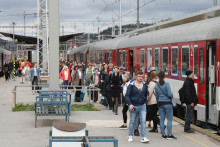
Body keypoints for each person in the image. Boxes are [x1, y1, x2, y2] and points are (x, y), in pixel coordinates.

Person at [125, 70, 149, 143]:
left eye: (142, 76)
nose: (141, 78)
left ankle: (143, 137)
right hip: (134, 106)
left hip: (142, 106)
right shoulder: (131, 85)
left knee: (143, 121)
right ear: (136, 77)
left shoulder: (144, 85)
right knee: (132, 121)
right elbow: (127, 96)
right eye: (139, 76)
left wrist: (145, 102)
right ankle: (130, 136)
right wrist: (130, 104)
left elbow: (146, 94)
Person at [155, 71, 176, 139]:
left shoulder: (156, 85)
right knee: (169, 119)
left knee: (162, 119)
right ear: (164, 76)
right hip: (167, 104)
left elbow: (157, 96)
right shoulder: (167, 84)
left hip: (160, 104)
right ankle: (169, 135)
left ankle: (163, 134)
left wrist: (158, 102)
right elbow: (170, 94)